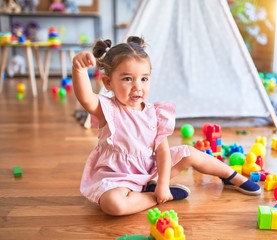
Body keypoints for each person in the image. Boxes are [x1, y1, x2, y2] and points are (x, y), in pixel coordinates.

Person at [72, 36, 261, 216]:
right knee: (113, 205)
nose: (138, 86)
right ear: (108, 82)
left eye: (144, 79)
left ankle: (232, 177)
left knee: (189, 152)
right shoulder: (108, 109)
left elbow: (162, 152)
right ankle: (154, 197)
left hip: (151, 172)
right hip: (119, 177)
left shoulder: (154, 113)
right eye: (128, 79)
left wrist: (162, 182)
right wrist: (79, 70)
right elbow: (86, 98)